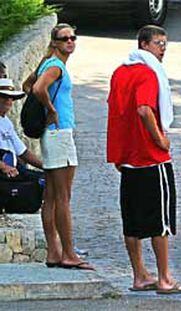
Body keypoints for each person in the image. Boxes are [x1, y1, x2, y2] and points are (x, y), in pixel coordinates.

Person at [107, 25, 181, 294]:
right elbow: (143, 109)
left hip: (129, 159)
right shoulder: (149, 74)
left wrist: (118, 151)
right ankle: (164, 278)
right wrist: (160, 140)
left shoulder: (120, 72)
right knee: (160, 222)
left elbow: (116, 111)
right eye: (158, 43)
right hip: (152, 158)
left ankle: (139, 274)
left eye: (165, 44)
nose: (163, 49)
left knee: (132, 220)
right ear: (143, 44)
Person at [24, 23, 94, 270]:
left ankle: (54, 252)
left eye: (73, 37)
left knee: (51, 197)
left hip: (52, 135)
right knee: (63, 197)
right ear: (55, 42)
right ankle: (68, 253)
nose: (70, 42)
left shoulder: (48, 63)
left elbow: (28, 85)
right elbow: (37, 88)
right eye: (65, 39)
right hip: (59, 133)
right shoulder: (55, 66)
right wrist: (51, 111)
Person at [0, 78, 42, 177]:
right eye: (3, 96)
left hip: (13, 169)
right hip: (4, 171)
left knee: (48, 180)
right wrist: (3, 167)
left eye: (11, 97)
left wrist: (46, 167)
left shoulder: (6, 121)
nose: (8, 100)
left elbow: (23, 152)